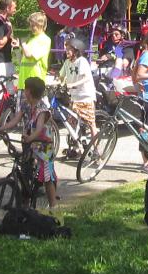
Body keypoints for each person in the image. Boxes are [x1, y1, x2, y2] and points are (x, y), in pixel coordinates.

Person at [19, 76, 59, 211]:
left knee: (47, 176)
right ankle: (25, 206)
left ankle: (54, 208)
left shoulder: (42, 109)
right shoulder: (25, 105)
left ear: (29, 91)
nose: (24, 91)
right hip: (31, 144)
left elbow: (39, 128)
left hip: (44, 146)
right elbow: (15, 120)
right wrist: (0, 128)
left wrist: (30, 138)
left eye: (25, 89)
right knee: (25, 172)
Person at [58, 35, 96, 156]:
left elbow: (86, 78)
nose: (67, 51)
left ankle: (96, 150)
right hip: (74, 97)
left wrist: (73, 84)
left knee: (91, 123)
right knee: (72, 122)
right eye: (66, 49)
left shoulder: (82, 61)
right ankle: (76, 147)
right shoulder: (67, 62)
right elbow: (61, 76)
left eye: (69, 49)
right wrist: (56, 82)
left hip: (85, 96)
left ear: (76, 50)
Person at [18, 12, 51, 88]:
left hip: (35, 82)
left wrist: (23, 43)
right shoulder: (31, 40)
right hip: (23, 82)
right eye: (30, 25)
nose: (31, 28)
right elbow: (21, 60)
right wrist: (16, 47)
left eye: (33, 26)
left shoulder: (45, 40)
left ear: (40, 25)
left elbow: (29, 55)